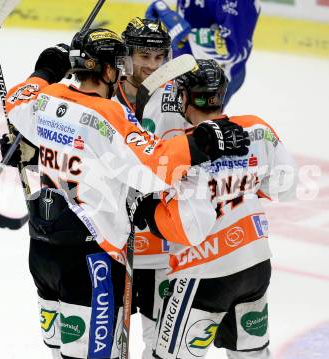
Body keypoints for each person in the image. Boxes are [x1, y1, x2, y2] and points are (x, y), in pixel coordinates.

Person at [0, 28, 250, 359]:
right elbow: (154, 167)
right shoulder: (108, 115)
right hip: (90, 255)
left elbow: (15, 99)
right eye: (117, 64)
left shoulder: (47, 99)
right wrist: (200, 143)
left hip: (44, 252)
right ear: (106, 70)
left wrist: (46, 69)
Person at [136, 59, 298, 359]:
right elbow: (286, 184)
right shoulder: (256, 128)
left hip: (204, 273)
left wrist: (150, 211)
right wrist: (242, 184)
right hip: (255, 264)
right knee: (251, 354)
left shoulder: (183, 150)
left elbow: (189, 227)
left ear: (184, 98)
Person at [114, 17, 192, 359]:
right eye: (144, 56)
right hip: (113, 237)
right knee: (109, 337)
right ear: (126, 55)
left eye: (159, 57)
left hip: (161, 239)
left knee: (160, 342)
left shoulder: (178, 96)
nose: (152, 65)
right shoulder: (103, 94)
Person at [145, 0, 260, 106]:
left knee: (190, 125)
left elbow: (232, 49)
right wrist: (167, 25)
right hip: (184, 66)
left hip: (215, 77)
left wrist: (183, 35)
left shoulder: (241, 2)